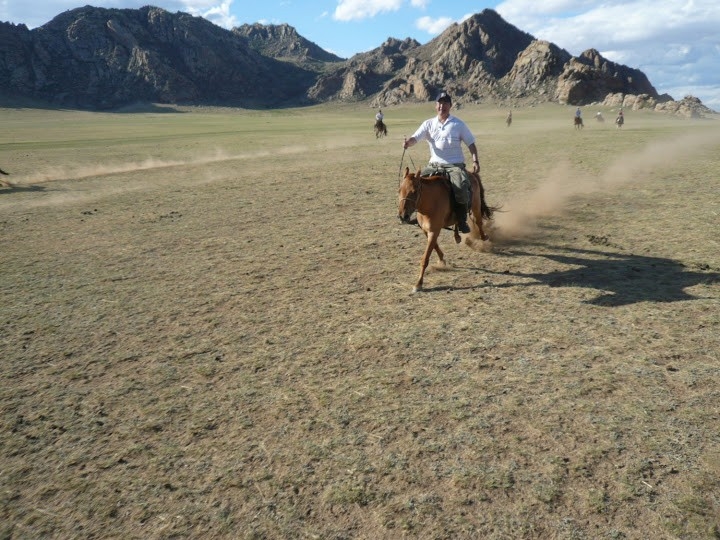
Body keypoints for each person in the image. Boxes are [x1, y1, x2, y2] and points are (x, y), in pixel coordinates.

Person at [403, 91, 479, 233]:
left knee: (461, 186)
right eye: (440, 103)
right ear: (435, 105)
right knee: (415, 184)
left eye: (445, 103)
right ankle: (419, 216)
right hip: (434, 165)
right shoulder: (428, 124)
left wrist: (475, 160)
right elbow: (416, 137)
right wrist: (409, 142)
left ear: (450, 106)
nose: (442, 106)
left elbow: (471, 143)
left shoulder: (458, 124)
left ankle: (461, 219)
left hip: (454, 165)